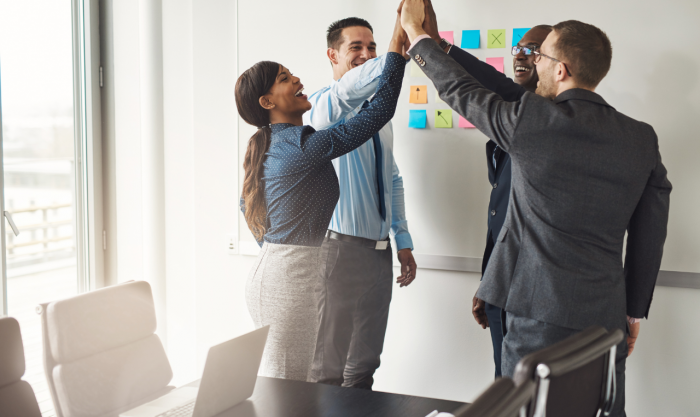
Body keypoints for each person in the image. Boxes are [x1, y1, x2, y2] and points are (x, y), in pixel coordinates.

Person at [400, 2, 672, 416]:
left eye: (539, 56)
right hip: (606, 315)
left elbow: (461, 91)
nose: (531, 62)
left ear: (560, 69)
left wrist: (416, 36)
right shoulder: (640, 138)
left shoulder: (533, 120)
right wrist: (632, 310)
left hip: (536, 315)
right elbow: (651, 230)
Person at [236, 12, 407, 382]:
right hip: (288, 279)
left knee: (300, 384)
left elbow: (245, 202)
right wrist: (399, 45)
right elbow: (379, 109)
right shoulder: (301, 145)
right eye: (285, 79)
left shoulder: (289, 143)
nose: (297, 79)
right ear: (268, 102)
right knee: (290, 385)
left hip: (293, 270)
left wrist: (276, 248)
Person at [415, 5, 552, 378]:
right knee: (504, 386)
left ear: (559, 65)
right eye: (519, 47)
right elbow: (504, 215)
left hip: (534, 298)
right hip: (501, 286)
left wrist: (423, 41)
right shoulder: (514, 118)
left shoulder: (549, 121)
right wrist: (490, 282)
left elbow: (476, 84)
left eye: (534, 48)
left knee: (522, 394)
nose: (522, 55)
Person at [302, 17, 417, 390]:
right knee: (329, 366)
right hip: (338, 253)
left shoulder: (379, 117)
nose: (366, 55)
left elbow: (393, 178)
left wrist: (402, 240)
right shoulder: (321, 109)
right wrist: (400, 45)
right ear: (332, 55)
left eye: (372, 47)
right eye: (356, 48)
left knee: (366, 363)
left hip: (379, 255)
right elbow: (346, 93)